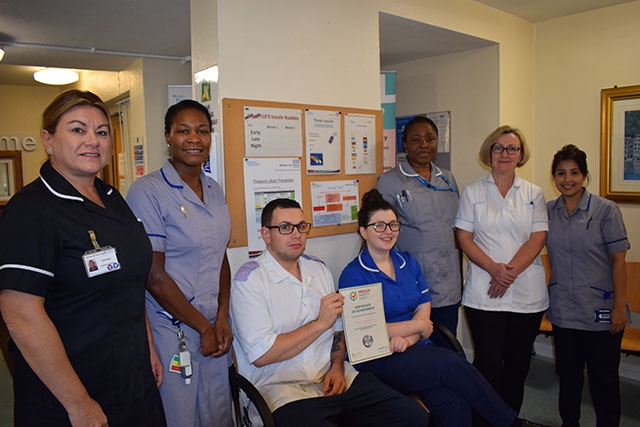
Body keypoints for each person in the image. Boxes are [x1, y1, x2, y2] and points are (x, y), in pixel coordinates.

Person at [0, 90, 166, 426]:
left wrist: (147, 346)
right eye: (78, 130)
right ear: (48, 140)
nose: (92, 140)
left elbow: (130, 280)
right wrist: (78, 404)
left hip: (133, 381)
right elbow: (20, 314)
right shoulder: (31, 210)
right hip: (72, 394)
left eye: (102, 132)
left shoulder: (111, 197)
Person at [230, 198, 429, 427]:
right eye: (285, 228)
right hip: (282, 388)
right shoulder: (249, 281)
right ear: (266, 234)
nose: (296, 235)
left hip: (332, 376)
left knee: (413, 417)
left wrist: (335, 366)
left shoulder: (318, 269)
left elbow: (338, 330)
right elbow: (262, 354)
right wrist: (318, 324)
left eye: (301, 227)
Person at [338, 189, 516, 426]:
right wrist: (418, 326)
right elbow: (366, 330)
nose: (388, 231)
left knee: (453, 402)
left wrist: (410, 338)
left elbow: (424, 304)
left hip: (414, 347)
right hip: (377, 356)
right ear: (363, 231)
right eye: (379, 226)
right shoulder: (354, 275)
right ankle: (508, 422)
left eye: (393, 225)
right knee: (451, 364)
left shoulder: (407, 262)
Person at [126, 99, 233, 427]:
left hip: (214, 327)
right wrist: (202, 326)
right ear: (167, 137)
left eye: (202, 131)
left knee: (217, 411)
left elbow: (220, 256)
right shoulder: (148, 191)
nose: (194, 139)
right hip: (173, 328)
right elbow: (153, 275)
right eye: (183, 131)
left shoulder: (214, 190)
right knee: (180, 415)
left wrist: (223, 316)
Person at [454, 125, 548, 417]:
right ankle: (485, 419)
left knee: (518, 364)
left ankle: (510, 418)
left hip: (526, 293)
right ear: (489, 152)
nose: (505, 154)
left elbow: (538, 237)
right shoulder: (473, 192)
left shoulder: (534, 193)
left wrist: (509, 273)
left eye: (512, 149)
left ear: (521, 155)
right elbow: (464, 237)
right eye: (498, 148)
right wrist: (495, 269)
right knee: (488, 364)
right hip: (485, 292)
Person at [546, 144, 630, 427]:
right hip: (563, 311)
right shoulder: (547, 212)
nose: (567, 179)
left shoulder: (606, 210)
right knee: (568, 377)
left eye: (574, 172)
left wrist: (619, 305)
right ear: (553, 176)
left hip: (601, 311)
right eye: (561, 173)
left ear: (585, 175)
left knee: (604, 379)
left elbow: (619, 261)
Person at [377, 116, 461, 337]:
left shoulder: (448, 179)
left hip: (449, 281)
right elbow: (384, 234)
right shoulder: (389, 182)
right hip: (414, 282)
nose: (424, 145)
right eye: (416, 139)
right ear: (405, 145)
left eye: (430, 139)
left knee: (448, 345)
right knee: (418, 347)